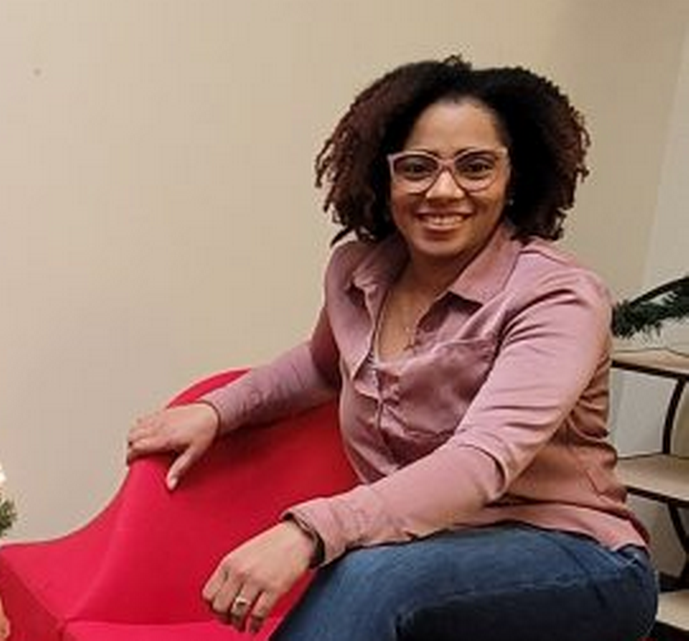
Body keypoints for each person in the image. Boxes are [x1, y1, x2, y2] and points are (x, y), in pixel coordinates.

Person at [126, 55, 658, 641]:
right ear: (386, 177)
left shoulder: (557, 296)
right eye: (417, 167)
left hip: (574, 556)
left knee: (369, 576)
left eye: (476, 167)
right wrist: (216, 411)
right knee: (376, 571)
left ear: (514, 180)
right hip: (421, 552)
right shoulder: (359, 272)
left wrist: (308, 531)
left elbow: (481, 460)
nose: (444, 189)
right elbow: (321, 367)